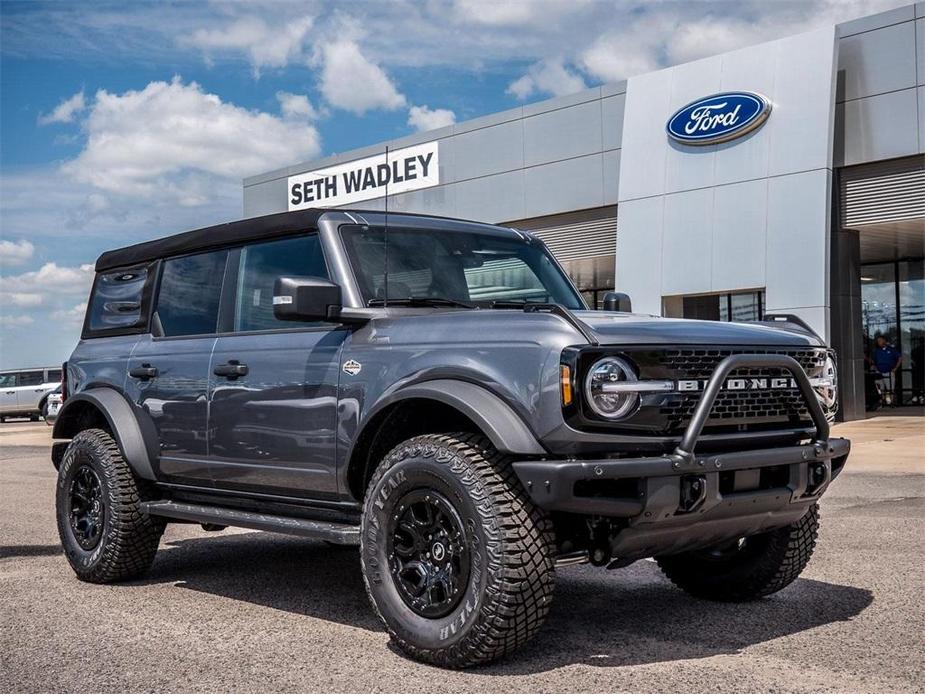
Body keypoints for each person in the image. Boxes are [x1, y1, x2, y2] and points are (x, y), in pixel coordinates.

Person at [872, 335, 902, 405]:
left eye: (880, 340)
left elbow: (899, 358)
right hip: (879, 372)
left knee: (890, 388)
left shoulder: (891, 349)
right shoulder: (877, 351)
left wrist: (895, 368)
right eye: (878, 341)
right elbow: (873, 361)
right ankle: (881, 402)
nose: (878, 342)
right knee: (879, 388)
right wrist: (875, 367)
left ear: (884, 341)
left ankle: (891, 402)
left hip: (889, 372)